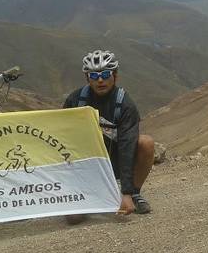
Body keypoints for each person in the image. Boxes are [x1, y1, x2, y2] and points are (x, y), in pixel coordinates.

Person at [63, 50, 155, 218]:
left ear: (115, 76)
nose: (100, 80)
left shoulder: (125, 104)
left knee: (146, 143)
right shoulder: (75, 100)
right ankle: (88, 194)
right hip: (87, 164)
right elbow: (63, 138)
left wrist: (126, 192)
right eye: (94, 75)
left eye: (105, 74)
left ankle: (134, 194)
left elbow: (128, 148)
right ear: (87, 78)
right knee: (73, 219)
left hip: (116, 161)